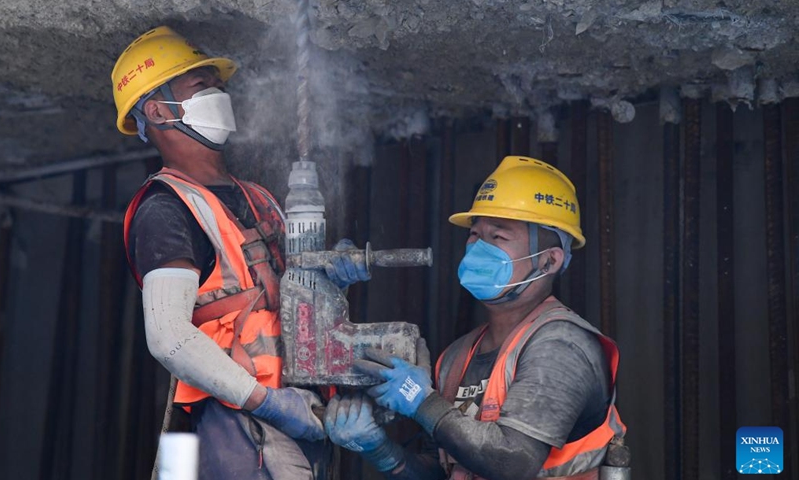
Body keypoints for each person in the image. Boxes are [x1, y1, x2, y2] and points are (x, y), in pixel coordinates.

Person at [113, 26, 369, 480]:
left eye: (219, 84)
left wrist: (331, 276)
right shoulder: (164, 208)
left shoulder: (260, 200)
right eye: (201, 85)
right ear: (157, 110)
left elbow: (294, 299)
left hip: (297, 414)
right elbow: (169, 336)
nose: (218, 93)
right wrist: (265, 401)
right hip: (231, 423)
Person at [324, 156, 626, 480]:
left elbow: (512, 463)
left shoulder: (564, 347)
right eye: (475, 234)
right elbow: (445, 471)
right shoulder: (456, 357)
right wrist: (379, 449)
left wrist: (420, 399)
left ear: (548, 262)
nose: (479, 248)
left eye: (498, 237)